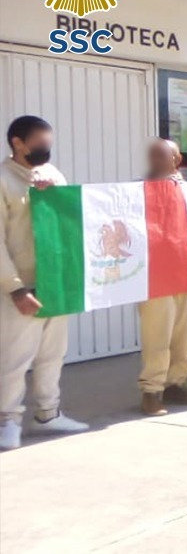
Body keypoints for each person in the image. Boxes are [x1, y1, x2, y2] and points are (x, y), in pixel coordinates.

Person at [0, 116, 88, 450]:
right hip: (20, 287)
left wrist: (55, 197)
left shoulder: (53, 175)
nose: (45, 147)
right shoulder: (3, 179)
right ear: (18, 143)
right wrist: (15, 287)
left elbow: (70, 221)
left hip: (55, 282)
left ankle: (48, 414)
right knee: (15, 357)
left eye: (48, 141)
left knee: (53, 353)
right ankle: (8, 419)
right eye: (38, 141)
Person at [137, 139, 187, 416]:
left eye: (160, 156)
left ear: (176, 160)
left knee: (182, 334)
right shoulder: (137, 190)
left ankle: (176, 383)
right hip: (153, 276)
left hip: (184, 274)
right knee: (157, 334)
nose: (153, 160)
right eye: (151, 155)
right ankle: (151, 390)